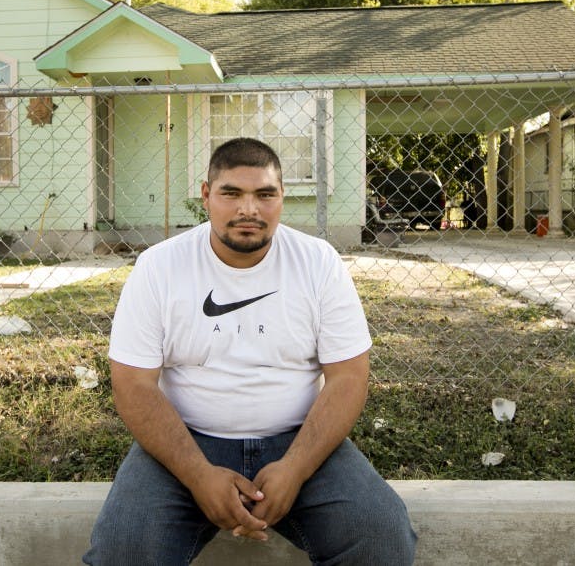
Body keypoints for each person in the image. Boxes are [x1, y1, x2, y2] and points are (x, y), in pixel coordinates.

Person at [83, 138, 417, 565]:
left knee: (382, 538)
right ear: (206, 195)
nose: (248, 209)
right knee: (122, 551)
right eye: (231, 193)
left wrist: (295, 468)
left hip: (299, 440)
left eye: (264, 194)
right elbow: (133, 385)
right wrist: (198, 475)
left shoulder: (318, 262)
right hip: (186, 443)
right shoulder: (159, 267)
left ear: (282, 198)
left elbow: (349, 377)